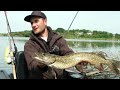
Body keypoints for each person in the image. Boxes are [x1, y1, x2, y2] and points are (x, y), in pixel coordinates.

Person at [24, 11, 74, 79]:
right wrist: (40, 64)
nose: (33, 25)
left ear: (45, 21)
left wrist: (79, 61)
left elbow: (68, 53)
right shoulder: (29, 45)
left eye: (36, 21)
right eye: (31, 23)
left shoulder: (58, 39)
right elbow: (32, 66)